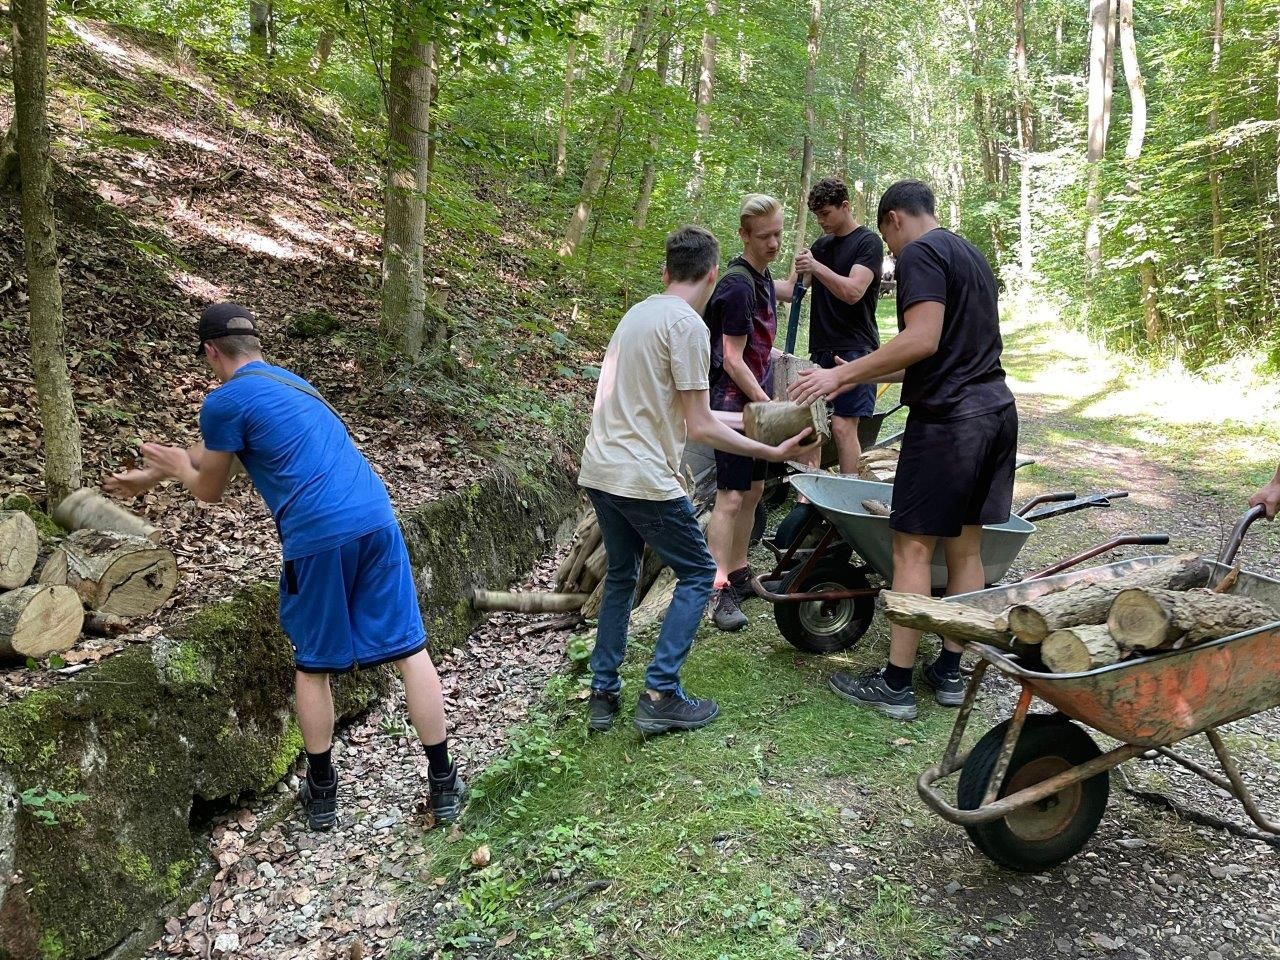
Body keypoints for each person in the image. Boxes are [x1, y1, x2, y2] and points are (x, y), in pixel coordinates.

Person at [103, 304, 464, 828]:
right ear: (254, 345)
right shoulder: (291, 384)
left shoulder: (223, 402)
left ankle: (322, 792)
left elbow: (208, 486)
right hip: (376, 517)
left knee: (313, 665)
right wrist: (151, 477)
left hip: (317, 536)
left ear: (210, 352)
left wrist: (177, 470)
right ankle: (443, 781)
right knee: (410, 651)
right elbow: (212, 451)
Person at [790, 180, 1018, 721]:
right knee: (965, 549)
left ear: (893, 219)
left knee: (911, 549)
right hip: (994, 413)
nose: (891, 254)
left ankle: (895, 683)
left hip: (949, 423)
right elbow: (940, 352)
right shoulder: (969, 254)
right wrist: (854, 376)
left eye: (888, 241)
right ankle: (949, 670)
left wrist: (841, 373)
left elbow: (922, 339)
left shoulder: (920, 252)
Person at [578, 226, 819, 735]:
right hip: (642, 477)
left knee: (621, 574)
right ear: (713, 274)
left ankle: (603, 692)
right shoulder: (687, 325)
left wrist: (764, 420)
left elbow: (694, 417)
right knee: (698, 572)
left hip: (601, 470)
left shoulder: (638, 314)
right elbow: (703, 426)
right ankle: (660, 693)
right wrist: (771, 450)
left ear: (665, 271)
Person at [702, 194, 799, 631]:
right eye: (764, 237)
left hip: (752, 401)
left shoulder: (763, 278)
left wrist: (780, 362)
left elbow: (756, 348)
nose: (773, 243)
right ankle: (716, 587)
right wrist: (766, 403)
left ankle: (739, 572)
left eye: (778, 234)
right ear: (743, 234)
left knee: (755, 489)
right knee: (731, 496)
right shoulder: (739, 285)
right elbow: (731, 359)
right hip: (730, 403)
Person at [793, 176, 884, 473]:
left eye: (826, 213)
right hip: (821, 347)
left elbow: (853, 291)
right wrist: (752, 278)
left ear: (845, 206)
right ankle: (809, 492)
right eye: (817, 215)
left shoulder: (868, 242)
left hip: (855, 348)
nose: (821, 221)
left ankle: (848, 490)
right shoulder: (821, 246)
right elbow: (791, 290)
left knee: (844, 426)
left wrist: (816, 266)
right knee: (812, 425)